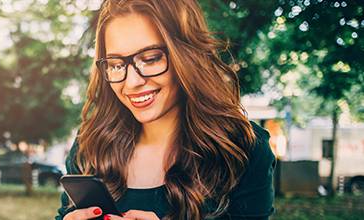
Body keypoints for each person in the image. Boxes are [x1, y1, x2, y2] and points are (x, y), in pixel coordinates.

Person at [55, 0, 276, 220]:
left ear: (187, 54)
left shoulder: (243, 149)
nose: (131, 82)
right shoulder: (90, 147)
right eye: (116, 65)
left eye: (150, 59)